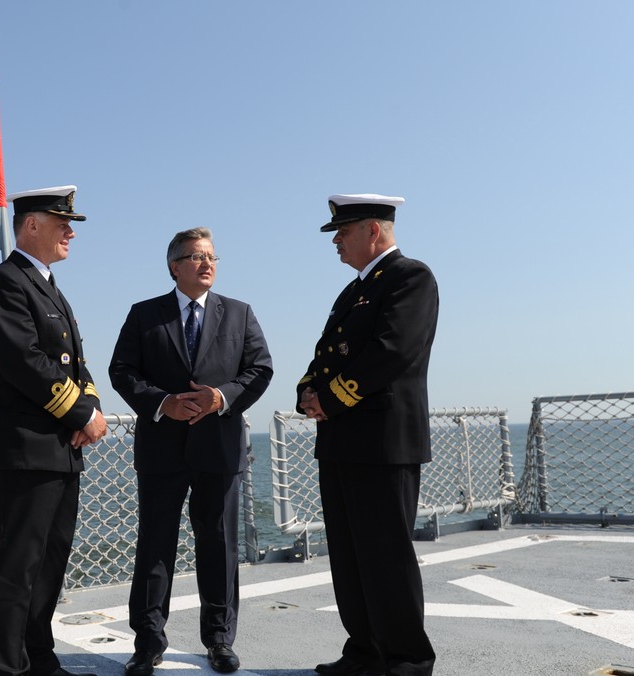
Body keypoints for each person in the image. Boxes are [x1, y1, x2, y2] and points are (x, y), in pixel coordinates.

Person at [109, 227, 273, 676]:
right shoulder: (145, 315)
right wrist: (164, 403)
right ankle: (147, 642)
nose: (207, 264)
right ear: (174, 266)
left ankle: (219, 639)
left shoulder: (239, 313)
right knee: (155, 546)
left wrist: (221, 397)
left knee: (219, 546)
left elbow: (260, 369)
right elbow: (121, 371)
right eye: (196, 257)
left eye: (212, 257)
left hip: (218, 449)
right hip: (162, 448)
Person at [296, 194, 439, 676]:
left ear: (372, 231)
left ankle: (408, 659)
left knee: (386, 555)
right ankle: (365, 652)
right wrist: (307, 392)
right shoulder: (352, 291)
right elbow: (325, 354)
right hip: (341, 439)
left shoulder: (409, 277)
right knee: (351, 555)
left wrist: (330, 398)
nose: (335, 240)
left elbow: (392, 351)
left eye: (343, 231)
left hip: (382, 440)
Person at [0, 185, 108, 676]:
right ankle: (5, 667)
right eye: (62, 222)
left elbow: (76, 364)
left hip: (61, 449)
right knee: (16, 567)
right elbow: (25, 363)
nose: (71, 231)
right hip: (26, 449)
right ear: (32, 225)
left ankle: (38, 657)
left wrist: (90, 407)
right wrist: (80, 416)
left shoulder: (50, 287)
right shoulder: (4, 284)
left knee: (50, 564)